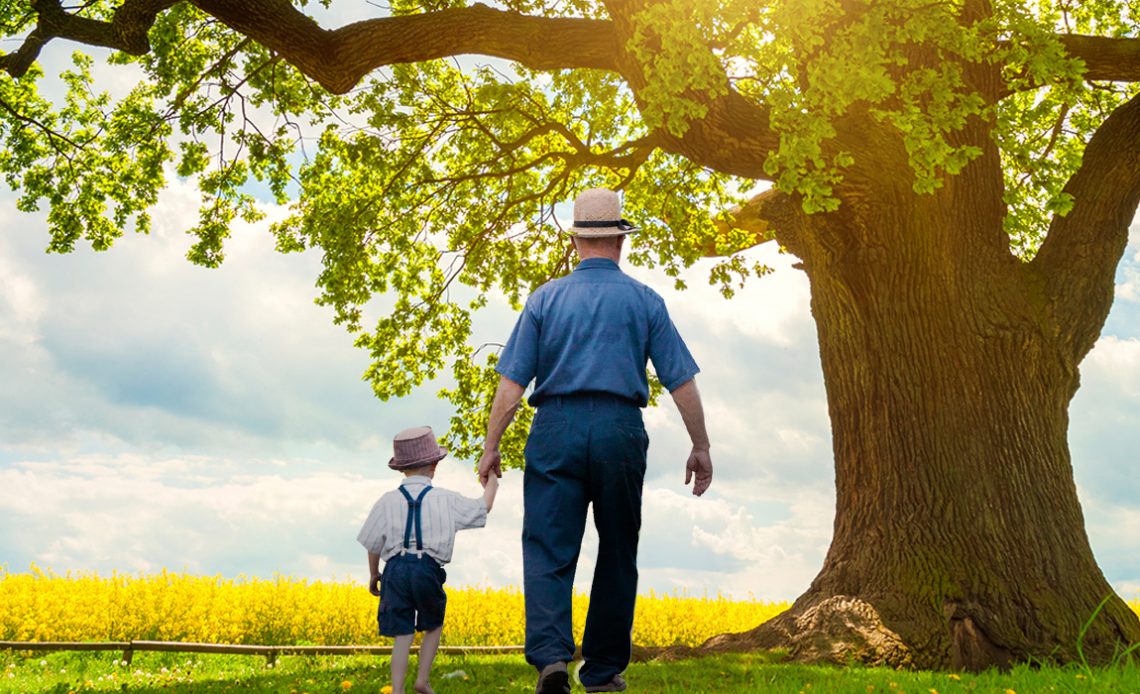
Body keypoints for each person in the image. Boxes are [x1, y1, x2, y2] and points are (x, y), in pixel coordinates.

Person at [477, 188, 713, 694]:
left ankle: (551, 661)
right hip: (619, 429)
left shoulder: (545, 298)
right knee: (618, 549)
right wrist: (701, 445)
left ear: (578, 241)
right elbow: (681, 381)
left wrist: (491, 444)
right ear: (620, 241)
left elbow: (512, 385)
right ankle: (603, 671)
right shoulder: (646, 301)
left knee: (547, 548)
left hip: (555, 428)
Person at [358, 425, 499, 694]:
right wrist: (491, 478)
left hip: (395, 569)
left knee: (402, 633)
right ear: (434, 465)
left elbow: (373, 543)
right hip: (427, 568)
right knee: (433, 623)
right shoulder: (445, 499)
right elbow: (484, 507)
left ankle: (397, 690)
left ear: (401, 469)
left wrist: (374, 573)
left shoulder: (386, 501)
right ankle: (422, 679)